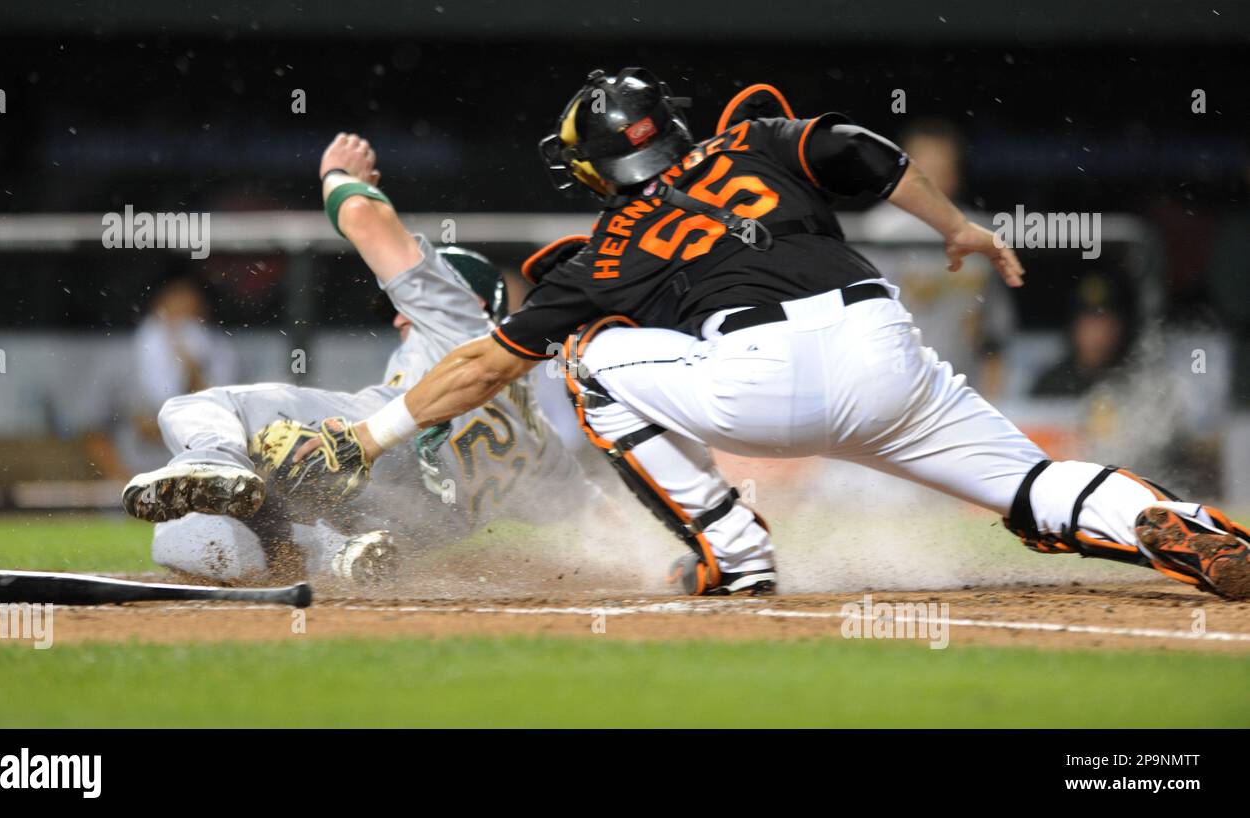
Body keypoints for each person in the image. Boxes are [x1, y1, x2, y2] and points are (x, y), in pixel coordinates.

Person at [302, 71, 1249, 601]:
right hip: (885, 352)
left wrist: (365, 435)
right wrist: (954, 224)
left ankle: (735, 554)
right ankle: (1187, 528)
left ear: (596, 168)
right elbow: (861, 150)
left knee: (587, 358)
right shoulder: (754, 140)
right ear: (673, 126)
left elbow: (480, 366)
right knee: (1035, 485)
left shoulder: (612, 241)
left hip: (753, 384)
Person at [120, 132, 592, 584]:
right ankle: (340, 551)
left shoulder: (460, 318)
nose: (397, 321)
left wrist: (340, 176)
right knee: (197, 535)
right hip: (407, 522)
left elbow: (363, 218)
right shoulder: (543, 445)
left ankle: (218, 458)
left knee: (196, 410)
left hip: (371, 450)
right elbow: (595, 515)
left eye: (403, 309)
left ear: (473, 299)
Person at [860, 118, 1015, 398]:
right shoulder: (879, 231)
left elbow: (994, 336)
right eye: (925, 170)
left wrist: (995, 397)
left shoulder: (978, 232)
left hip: (966, 392)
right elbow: (863, 328)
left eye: (943, 169)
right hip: (897, 392)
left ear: (956, 172)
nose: (935, 180)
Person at [75, 275, 238, 481]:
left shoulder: (219, 359)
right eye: (176, 315)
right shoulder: (121, 359)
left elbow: (222, 426)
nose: (184, 327)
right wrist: (125, 482)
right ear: (159, 310)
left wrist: (191, 370)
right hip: (136, 481)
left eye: (192, 317)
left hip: (199, 485)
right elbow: (92, 431)